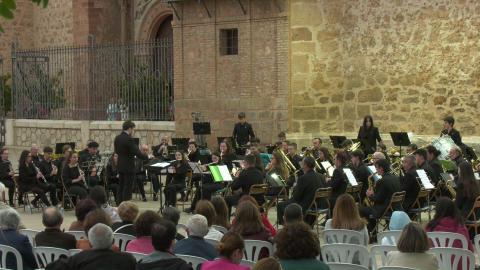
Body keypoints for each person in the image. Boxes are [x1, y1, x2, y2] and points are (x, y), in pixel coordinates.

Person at [46, 224, 136, 270]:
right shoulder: (128, 259)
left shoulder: (79, 258)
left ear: (90, 243)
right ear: (113, 241)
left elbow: (50, 267)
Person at [277, 156, 326, 225]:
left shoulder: (303, 178)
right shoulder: (321, 176)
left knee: (280, 205)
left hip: (306, 206)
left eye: (302, 164)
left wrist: (295, 187)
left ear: (305, 165)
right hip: (318, 205)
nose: (301, 166)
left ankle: (286, 226)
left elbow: (296, 197)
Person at [360, 158, 401, 233]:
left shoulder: (382, 181)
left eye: (376, 168)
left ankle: (372, 233)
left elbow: (378, 199)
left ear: (381, 168)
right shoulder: (395, 177)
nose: (376, 170)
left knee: (361, 210)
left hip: (384, 209)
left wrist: (370, 195)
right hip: (396, 207)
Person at [114, 120, 149, 204]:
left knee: (121, 186)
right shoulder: (129, 139)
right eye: (133, 129)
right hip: (129, 166)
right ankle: (126, 205)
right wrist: (146, 156)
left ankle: (119, 204)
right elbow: (136, 152)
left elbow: (117, 151)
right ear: (129, 129)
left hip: (120, 165)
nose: (133, 131)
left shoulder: (117, 138)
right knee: (128, 187)